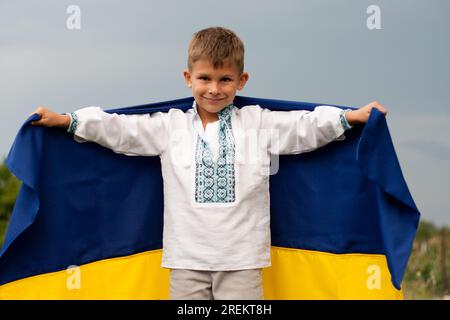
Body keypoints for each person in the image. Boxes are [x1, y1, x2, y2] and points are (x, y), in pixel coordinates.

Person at [30, 26, 388, 300]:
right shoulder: (169, 126)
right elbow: (121, 129)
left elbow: (303, 126)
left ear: (241, 80)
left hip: (243, 262)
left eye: (225, 79)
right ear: (189, 79)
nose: (214, 88)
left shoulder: (259, 122)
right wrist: (67, 121)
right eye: (204, 78)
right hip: (186, 261)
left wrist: (351, 116)